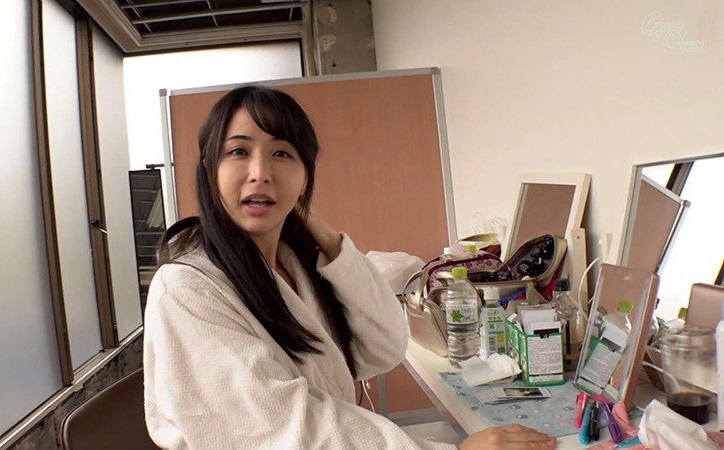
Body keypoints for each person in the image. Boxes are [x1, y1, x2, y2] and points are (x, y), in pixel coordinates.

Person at [143, 84, 557, 450]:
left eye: (282, 153)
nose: (261, 173)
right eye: (238, 151)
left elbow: (385, 346)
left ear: (305, 175)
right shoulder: (188, 288)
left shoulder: (295, 264)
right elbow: (283, 430)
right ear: (209, 171)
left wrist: (326, 237)